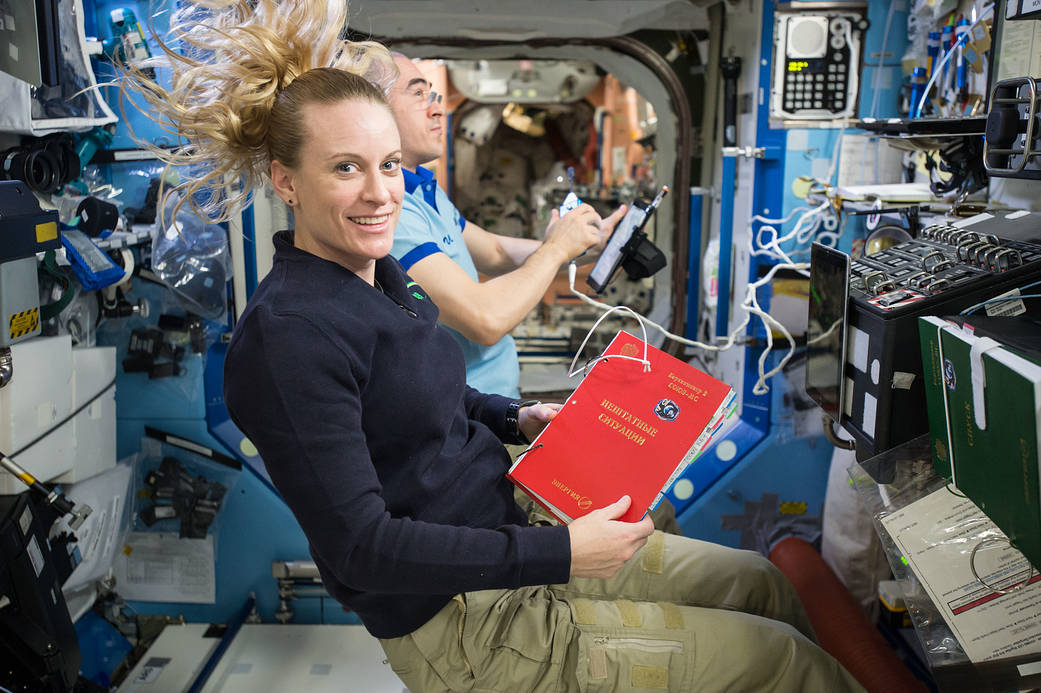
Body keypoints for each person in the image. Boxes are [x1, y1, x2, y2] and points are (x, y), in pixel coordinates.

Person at [118, 2, 866, 691]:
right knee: (784, 662)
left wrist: (514, 417)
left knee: (758, 584)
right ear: (286, 179)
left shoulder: (375, 276)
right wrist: (562, 556)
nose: (380, 192)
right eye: (345, 168)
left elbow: (427, 395)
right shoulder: (287, 338)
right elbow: (362, 549)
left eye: (388, 166)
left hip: (514, 530)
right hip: (474, 621)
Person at [386, 52, 626, 397]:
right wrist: (557, 248)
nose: (437, 109)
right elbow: (485, 319)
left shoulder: (425, 190)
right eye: (418, 94)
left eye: (434, 96)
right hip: (459, 415)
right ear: (373, 112)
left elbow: (495, 251)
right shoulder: (392, 212)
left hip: (491, 406)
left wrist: (583, 245)